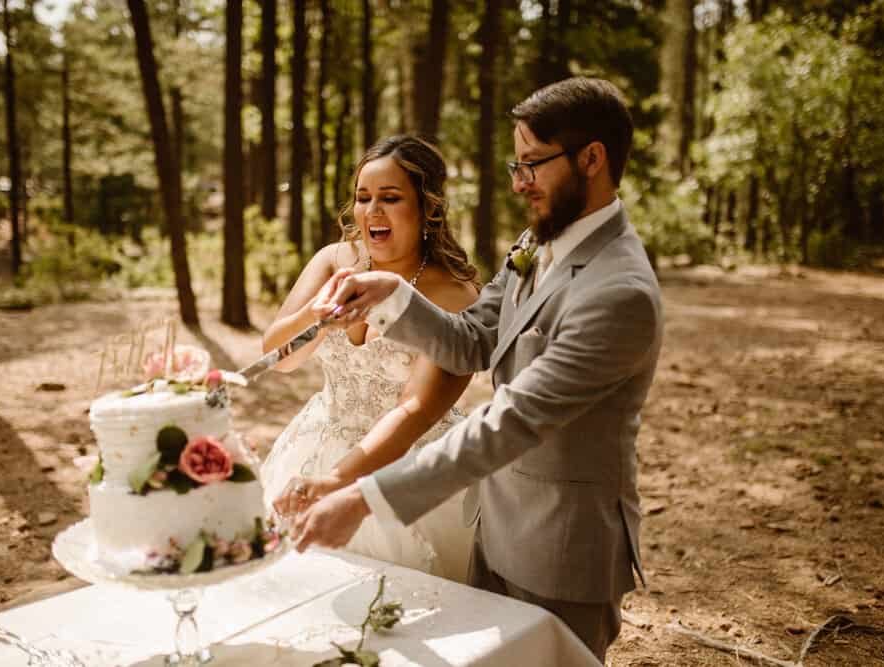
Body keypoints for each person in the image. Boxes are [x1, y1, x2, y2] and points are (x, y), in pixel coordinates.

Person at [290, 77, 663, 663]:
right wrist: (392, 293)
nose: (519, 183)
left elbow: (508, 424)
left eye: (534, 164)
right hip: (493, 528)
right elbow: (470, 340)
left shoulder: (618, 292)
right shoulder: (538, 241)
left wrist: (363, 497)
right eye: (516, 164)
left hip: (562, 551)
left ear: (592, 159)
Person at [259, 135, 480, 582]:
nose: (371, 211)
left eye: (390, 198)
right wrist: (314, 316)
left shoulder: (454, 295)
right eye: (363, 198)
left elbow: (412, 415)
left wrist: (337, 484)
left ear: (428, 207)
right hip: (312, 446)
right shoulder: (333, 261)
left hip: (408, 473)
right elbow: (277, 358)